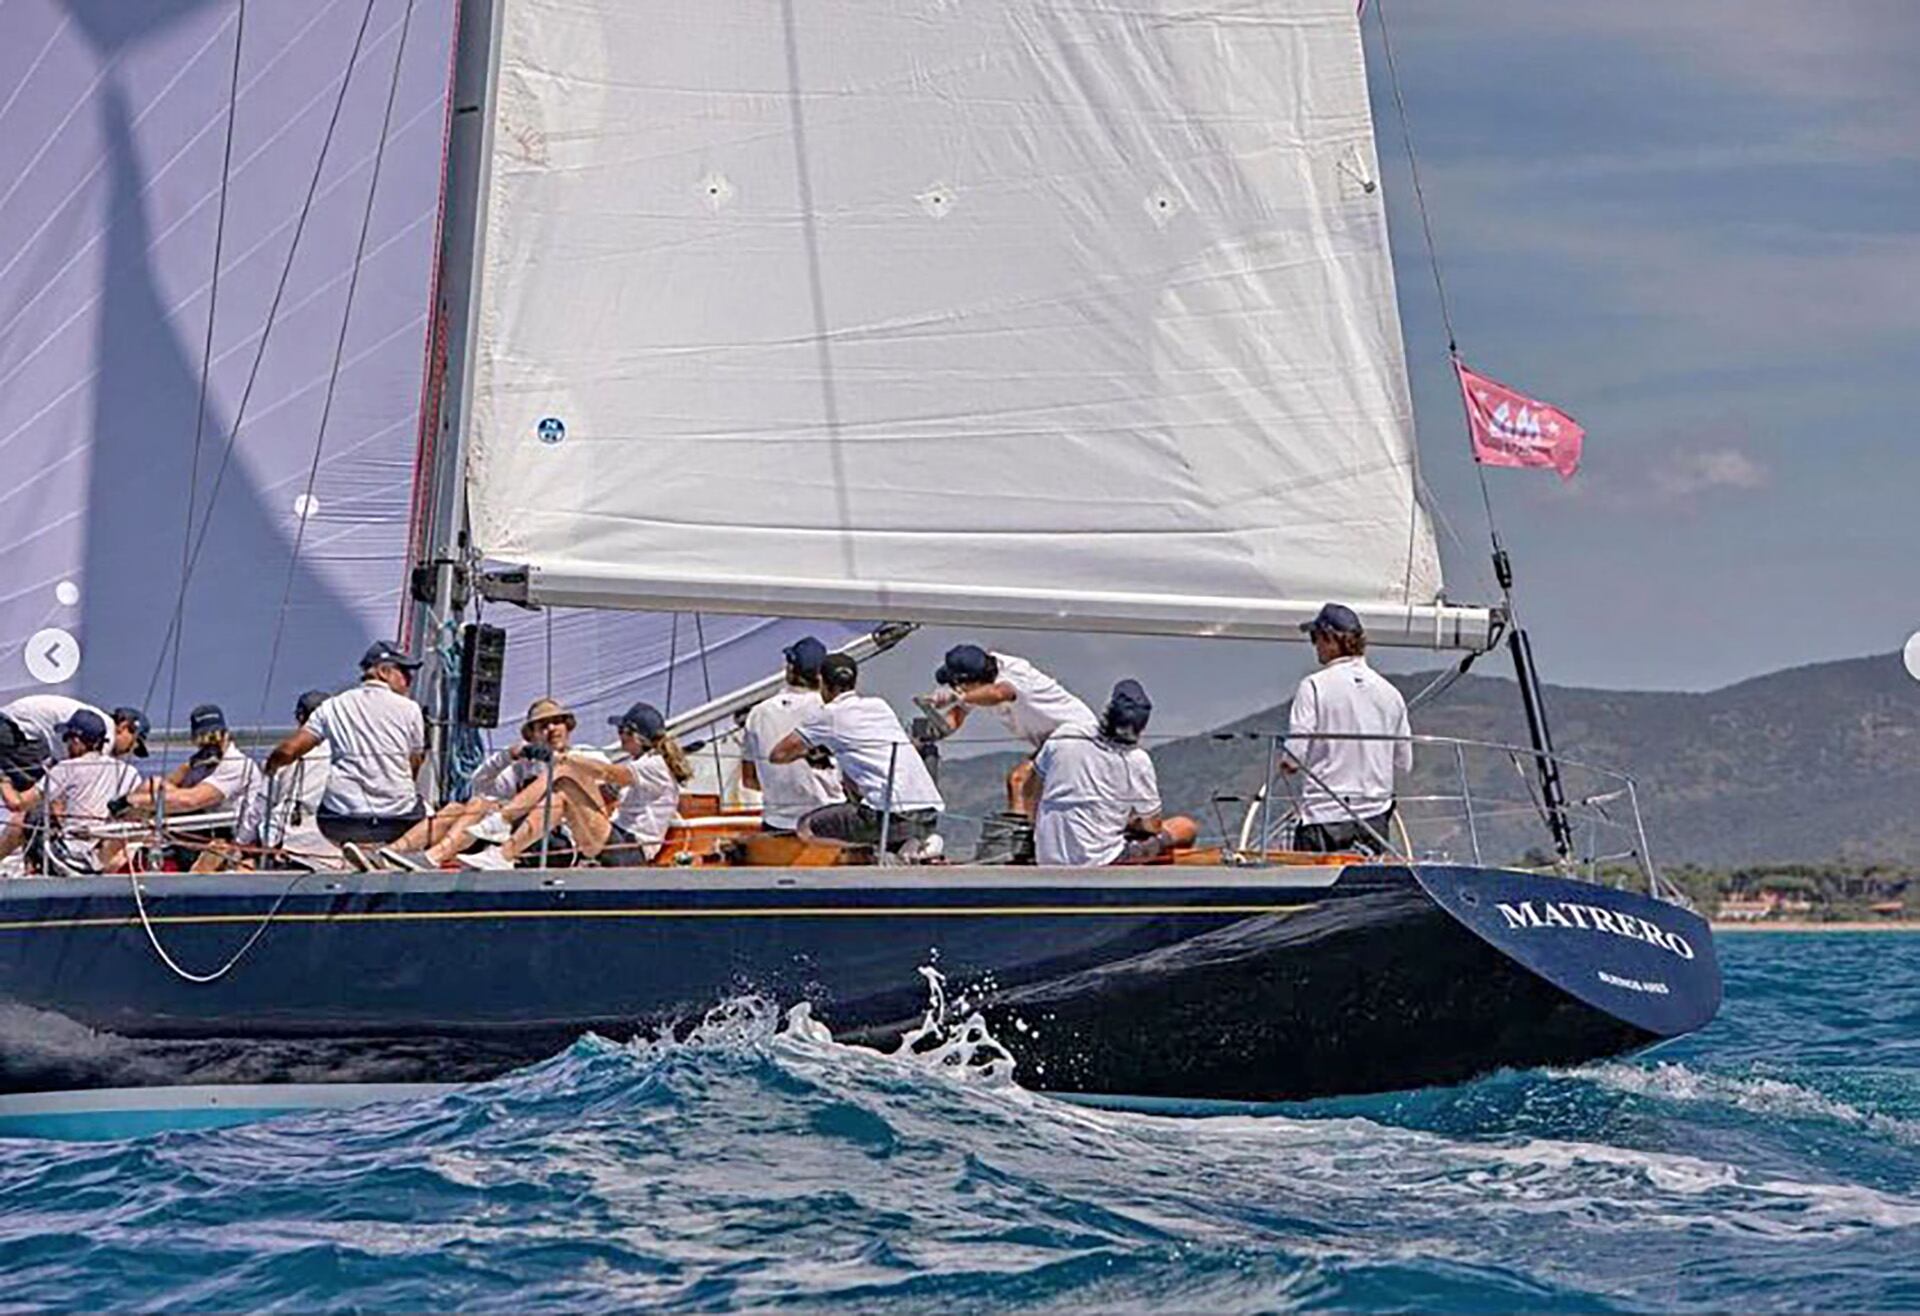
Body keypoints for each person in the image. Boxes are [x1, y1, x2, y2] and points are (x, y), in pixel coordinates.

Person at [458, 701, 690, 869]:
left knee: (564, 777)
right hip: (615, 843)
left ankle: (502, 835)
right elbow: (605, 789)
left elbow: (607, 772)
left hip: (629, 851)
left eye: (622, 731)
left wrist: (559, 759)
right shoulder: (643, 765)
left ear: (635, 736)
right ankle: (503, 849)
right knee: (563, 787)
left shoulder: (654, 765)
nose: (619, 737)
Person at [768, 653, 944, 858]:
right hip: (928, 812)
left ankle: (896, 849)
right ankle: (916, 842)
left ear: (821, 681)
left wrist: (810, 752)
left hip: (890, 816)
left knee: (806, 829)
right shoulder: (880, 706)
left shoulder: (827, 715)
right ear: (854, 681)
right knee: (858, 799)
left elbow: (778, 754)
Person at [398, 698, 604, 869]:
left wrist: (558, 760)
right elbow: (480, 785)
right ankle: (393, 853)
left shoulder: (586, 755)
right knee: (460, 807)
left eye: (557, 722)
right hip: (517, 835)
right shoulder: (523, 768)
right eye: (543, 725)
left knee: (481, 807)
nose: (551, 729)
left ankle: (433, 858)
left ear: (567, 727)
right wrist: (508, 756)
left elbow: (605, 788)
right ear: (531, 735)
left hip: (558, 841)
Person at [266, 641, 426, 858]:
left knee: (334, 809)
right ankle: (388, 855)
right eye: (405, 673)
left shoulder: (331, 706)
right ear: (384, 671)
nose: (409, 681)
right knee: (435, 819)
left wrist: (270, 766)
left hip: (341, 822)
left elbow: (289, 751)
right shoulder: (411, 709)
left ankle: (363, 855)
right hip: (398, 820)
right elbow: (414, 762)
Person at [1282, 603, 1411, 855]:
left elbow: (1294, 756)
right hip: (1374, 820)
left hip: (1323, 818)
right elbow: (1404, 762)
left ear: (1330, 639)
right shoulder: (1391, 693)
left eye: (1315, 638)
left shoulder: (1314, 686)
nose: (1314, 646)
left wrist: (1286, 764)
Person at [1033, 680, 1198, 867]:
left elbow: (1034, 785)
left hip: (1047, 858)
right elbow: (1152, 826)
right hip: (1104, 861)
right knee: (1184, 827)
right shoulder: (1136, 760)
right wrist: (1129, 822)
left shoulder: (1064, 736)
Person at [927, 644, 1096, 815]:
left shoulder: (1013, 673)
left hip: (1076, 733)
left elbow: (1001, 693)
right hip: (1054, 740)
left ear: (974, 680)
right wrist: (933, 731)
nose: (957, 689)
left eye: (959, 685)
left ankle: (1020, 836)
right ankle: (1030, 833)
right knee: (1030, 789)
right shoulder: (976, 687)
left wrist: (957, 697)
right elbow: (957, 715)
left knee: (1021, 782)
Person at [124, 704, 264, 871]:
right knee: (153, 784)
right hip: (202, 828)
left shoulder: (237, 764)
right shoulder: (200, 763)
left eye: (215, 737)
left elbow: (191, 800)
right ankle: (118, 855)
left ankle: (201, 870)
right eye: (203, 739)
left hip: (232, 837)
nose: (210, 744)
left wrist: (131, 801)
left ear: (226, 735)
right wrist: (187, 767)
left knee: (213, 845)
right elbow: (167, 786)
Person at [0, 710, 141, 874]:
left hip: (71, 859)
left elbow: (17, 803)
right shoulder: (130, 773)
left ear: (77, 740)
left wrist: (3, 780)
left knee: (24, 819)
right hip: (105, 856)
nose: (65, 745)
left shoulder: (67, 768)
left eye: (67, 739)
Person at [738, 636, 844, 832]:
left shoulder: (758, 713)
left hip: (777, 824)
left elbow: (749, 780)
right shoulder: (833, 711)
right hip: (828, 822)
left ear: (790, 668)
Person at [238, 690, 336, 869]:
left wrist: (240, 841)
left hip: (292, 848)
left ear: (300, 718)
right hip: (337, 850)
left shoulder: (285, 756)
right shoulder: (346, 756)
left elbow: (261, 804)